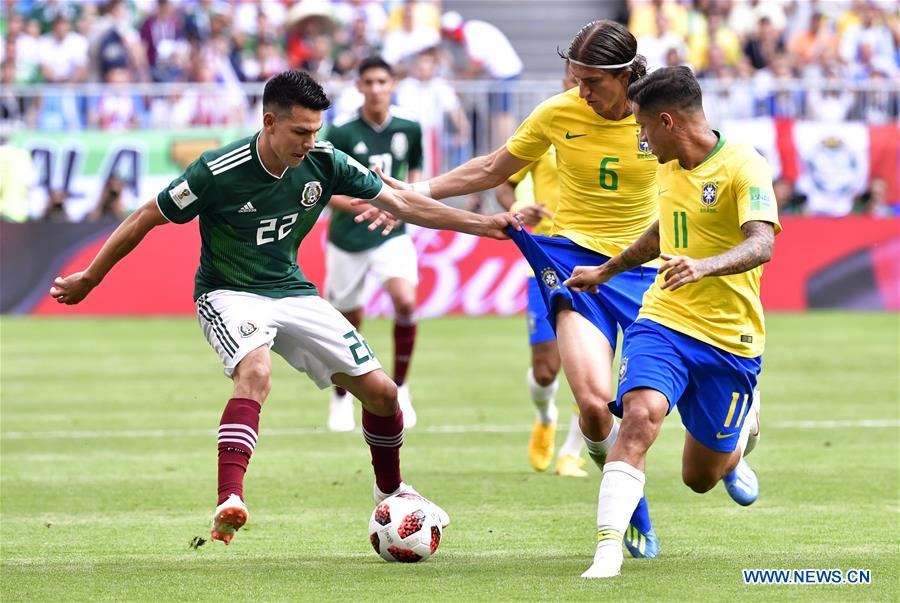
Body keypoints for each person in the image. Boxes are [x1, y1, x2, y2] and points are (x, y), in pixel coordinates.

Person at [49, 69, 519, 546]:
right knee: (256, 373)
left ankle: (391, 491)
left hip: (293, 291)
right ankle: (229, 499)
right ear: (269, 122)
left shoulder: (325, 160)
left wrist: (482, 225)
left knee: (383, 393)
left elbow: (403, 204)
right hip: (228, 292)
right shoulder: (217, 170)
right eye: (300, 132)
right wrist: (91, 276)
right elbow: (146, 216)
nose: (309, 142)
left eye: (315, 131)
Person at [377, 20, 661, 562]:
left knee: (696, 444)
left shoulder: (656, 115)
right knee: (594, 406)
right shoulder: (557, 113)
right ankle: (632, 508)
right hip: (574, 265)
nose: (580, 90)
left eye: (592, 81)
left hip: (645, 266)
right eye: (576, 77)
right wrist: (416, 190)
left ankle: (735, 440)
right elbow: (492, 168)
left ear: (626, 75)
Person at [565, 66, 779, 578]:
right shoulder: (666, 165)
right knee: (638, 418)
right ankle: (607, 551)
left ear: (667, 121)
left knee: (699, 478)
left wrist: (704, 266)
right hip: (663, 320)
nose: (640, 138)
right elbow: (663, 231)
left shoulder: (744, 165)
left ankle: (739, 438)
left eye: (642, 126)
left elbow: (762, 243)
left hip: (730, 339)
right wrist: (606, 271)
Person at [494, 69, 588, 479]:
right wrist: (518, 208)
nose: (579, 85)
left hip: (597, 261)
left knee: (590, 366)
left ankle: (572, 452)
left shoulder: (622, 129)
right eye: (573, 78)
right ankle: (545, 414)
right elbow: (502, 183)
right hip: (547, 261)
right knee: (546, 368)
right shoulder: (549, 125)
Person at [324, 56, 424, 432]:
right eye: (369, 82)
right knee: (347, 321)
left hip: (390, 231)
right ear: (359, 86)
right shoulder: (342, 130)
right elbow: (323, 188)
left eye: (382, 81)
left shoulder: (409, 126)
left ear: (392, 84)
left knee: (406, 301)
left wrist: (403, 205)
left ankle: (402, 388)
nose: (376, 89)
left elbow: (415, 173)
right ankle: (341, 397)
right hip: (348, 237)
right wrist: (361, 205)